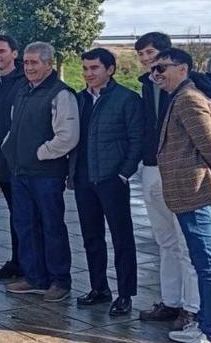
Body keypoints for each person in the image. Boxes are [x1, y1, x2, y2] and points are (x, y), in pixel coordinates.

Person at [2, 42, 78, 303]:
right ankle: (35, 278)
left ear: (48, 64)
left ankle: (59, 281)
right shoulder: (23, 91)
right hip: (21, 172)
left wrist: (39, 153)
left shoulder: (61, 94)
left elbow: (67, 136)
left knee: (51, 226)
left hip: (46, 175)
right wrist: (11, 150)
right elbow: (14, 127)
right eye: (26, 62)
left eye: (34, 62)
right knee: (25, 225)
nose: (29, 67)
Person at [154, 48, 211, 343]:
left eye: (162, 68)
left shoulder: (189, 99)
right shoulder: (180, 97)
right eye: (154, 69)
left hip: (197, 195)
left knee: (208, 267)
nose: (157, 74)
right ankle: (207, 325)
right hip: (191, 195)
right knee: (204, 264)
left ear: (183, 68)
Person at [134, 32, 200, 329]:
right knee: (165, 241)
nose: (148, 61)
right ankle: (171, 301)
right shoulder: (147, 87)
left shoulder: (189, 88)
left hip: (180, 172)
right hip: (151, 169)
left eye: (152, 54)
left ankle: (193, 308)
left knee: (188, 244)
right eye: (142, 56)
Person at [71, 48, 142, 317]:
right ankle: (99, 288)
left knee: (122, 237)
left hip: (113, 180)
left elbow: (136, 140)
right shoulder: (79, 100)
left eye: (94, 68)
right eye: (86, 69)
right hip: (84, 179)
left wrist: (124, 173)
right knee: (92, 237)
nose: (89, 74)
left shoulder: (127, 99)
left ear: (109, 69)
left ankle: (125, 294)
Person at [0, 35, 28, 280]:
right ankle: (18, 260)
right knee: (15, 214)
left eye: (1, 51)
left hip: (24, 163)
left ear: (14, 54)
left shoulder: (25, 83)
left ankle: (31, 264)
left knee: (27, 216)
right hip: (2, 163)